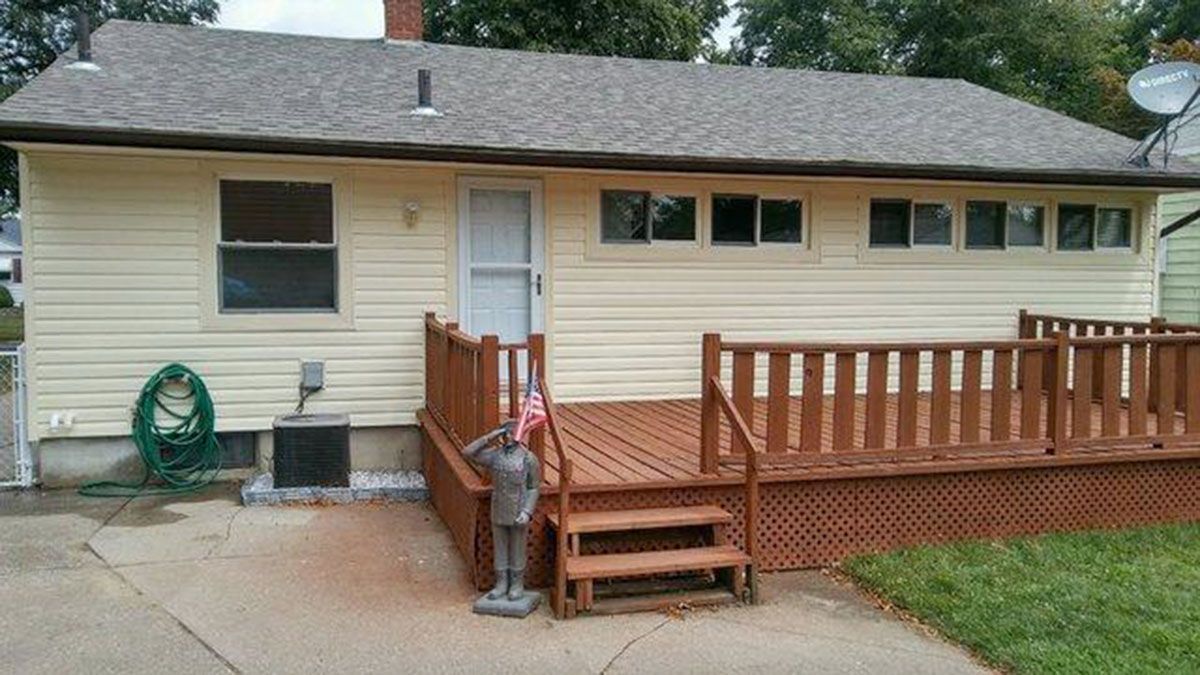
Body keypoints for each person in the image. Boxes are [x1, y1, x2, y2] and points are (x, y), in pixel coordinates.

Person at [462, 420, 541, 602]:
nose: (508, 436)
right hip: (498, 508)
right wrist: (490, 436)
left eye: (512, 433)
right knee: (500, 547)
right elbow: (467, 453)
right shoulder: (496, 456)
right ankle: (501, 583)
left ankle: (516, 584)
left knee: (517, 548)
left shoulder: (528, 459)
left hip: (518, 510)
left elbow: (534, 487)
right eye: (505, 433)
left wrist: (527, 511)